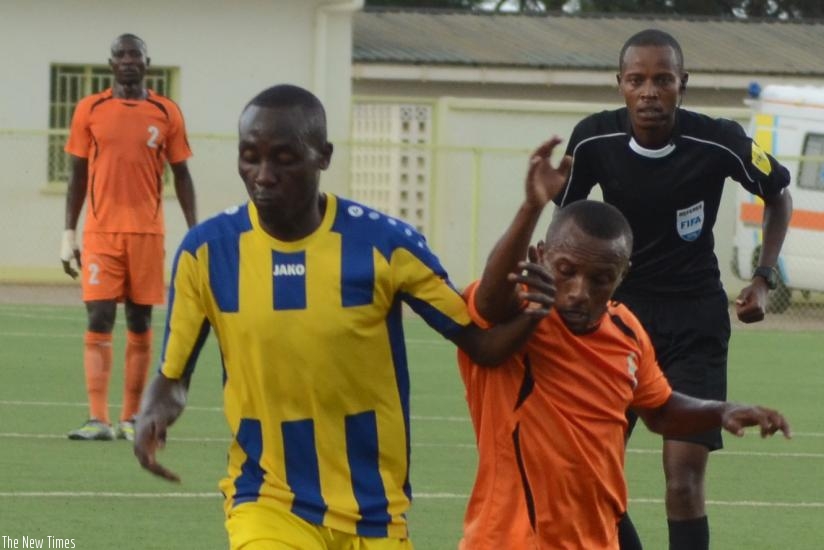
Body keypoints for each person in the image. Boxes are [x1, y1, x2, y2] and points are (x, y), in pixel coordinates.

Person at [133, 84, 550, 550]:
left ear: (323, 156)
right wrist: (151, 416)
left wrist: (537, 309)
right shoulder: (207, 253)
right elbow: (173, 377)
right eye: (249, 156)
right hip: (267, 499)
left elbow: (482, 344)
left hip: (375, 508)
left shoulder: (385, 244)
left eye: (284, 158)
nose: (263, 175)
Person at [458, 137, 792, 550]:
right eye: (566, 270)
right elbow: (489, 301)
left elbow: (661, 409)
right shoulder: (520, 311)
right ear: (542, 256)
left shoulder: (626, 331)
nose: (580, 291)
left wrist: (721, 410)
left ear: (621, 276)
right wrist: (531, 208)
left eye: (599, 279)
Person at [551, 29, 793, 550]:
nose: (649, 91)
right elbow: (567, 221)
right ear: (620, 85)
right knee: (589, 475)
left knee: (682, 482)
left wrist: (762, 278)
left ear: (683, 83)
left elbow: (778, 194)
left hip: (694, 321)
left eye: (663, 79)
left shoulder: (719, 140)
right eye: (637, 80)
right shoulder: (592, 140)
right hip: (616, 320)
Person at [60, 33, 197, 442]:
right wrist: (68, 232)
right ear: (111, 64)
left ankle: (131, 416)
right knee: (99, 316)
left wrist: (196, 233)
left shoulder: (166, 111)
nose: (127, 60)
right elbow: (77, 175)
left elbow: (182, 175)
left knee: (141, 320)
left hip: (147, 233)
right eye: (120, 54)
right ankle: (98, 420)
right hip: (101, 232)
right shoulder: (90, 109)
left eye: (134, 53)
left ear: (147, 62)